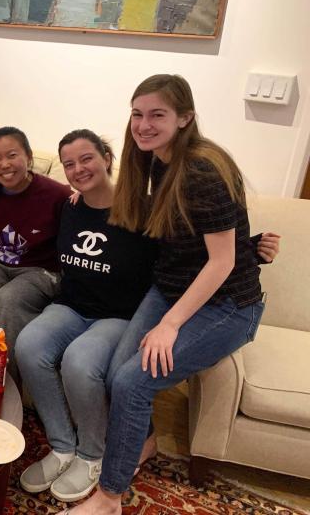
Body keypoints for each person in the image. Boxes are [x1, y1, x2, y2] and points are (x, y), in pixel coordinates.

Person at [64, 74, 269, 515]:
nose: (144, 124)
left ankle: (109, 498)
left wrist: (169, 324)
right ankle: (147, 441)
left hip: (229, 305)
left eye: (157, 114)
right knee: (120, 367)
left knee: (132, 380)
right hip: (173, 287)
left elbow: (222, 261)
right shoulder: (157, 159)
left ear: (185, 117)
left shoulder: (203, 168)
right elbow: (194, 238)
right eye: (137, 114)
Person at [16, 130, 157, 501]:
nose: (79, 169)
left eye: (87, 158)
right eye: (69, 164)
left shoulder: (142, 209)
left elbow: (192, 247)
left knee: (79, 361)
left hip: (118, 316)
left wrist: (250, 248)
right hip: (71, 307)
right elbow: (25, 191)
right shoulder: (70, 206)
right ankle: (62, 446)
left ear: (107, 158)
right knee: (28, 344)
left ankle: (91, 454)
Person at [0, 127, 72, 374]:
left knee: (9, 298)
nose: (4, 165)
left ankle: (5, 378)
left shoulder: (56, 194)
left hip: (40, 269)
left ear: (29, 157)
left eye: (12, 155)